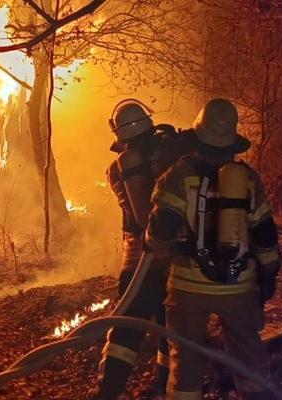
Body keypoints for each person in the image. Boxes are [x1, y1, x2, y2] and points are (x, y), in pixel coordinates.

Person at [144, 98, 281, 400]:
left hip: (187, 288)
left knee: (186, 359)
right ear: (232, 140)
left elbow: (161, 229)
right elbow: (265, 232)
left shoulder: (178, 174)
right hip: (238, 287)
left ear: (197, 136)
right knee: (247, 353)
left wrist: (151, 244)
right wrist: (269, 272)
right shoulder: (248, 178)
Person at [89, 99, 191, 400]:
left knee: (124, 332)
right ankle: (162, 386)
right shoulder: (172, 150)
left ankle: (106, 392)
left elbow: (141, 217)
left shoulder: (124, 163)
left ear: (119, 133)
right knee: (167, 327)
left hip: (140, 261)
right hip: (176, 258)